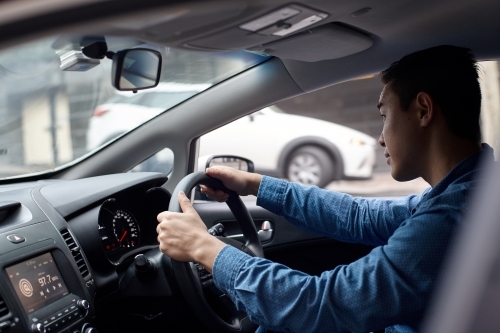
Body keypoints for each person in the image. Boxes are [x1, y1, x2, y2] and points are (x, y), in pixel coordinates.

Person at [156, 45, 494, 332]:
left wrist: (206, 249)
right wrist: (256, 185)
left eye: (384, 116)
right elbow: (359, 216)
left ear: (423, 110)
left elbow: (318, 305)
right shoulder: (471, 193)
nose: (380, 137)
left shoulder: (450, 219)